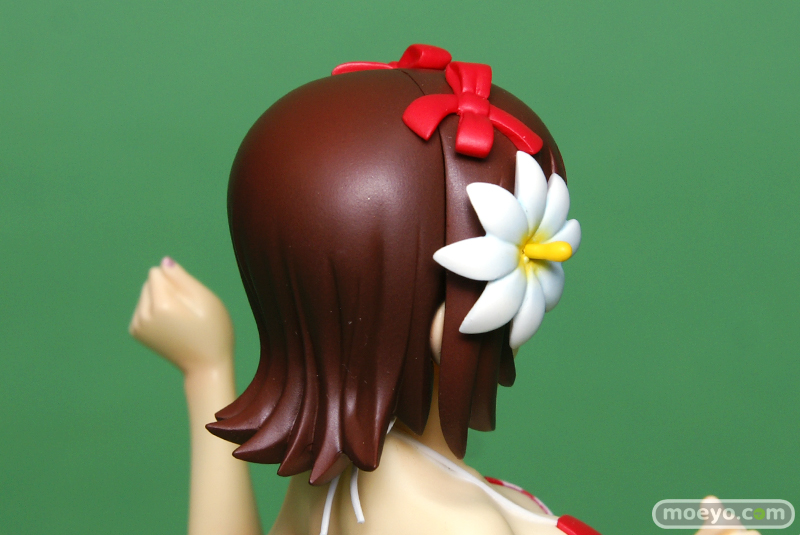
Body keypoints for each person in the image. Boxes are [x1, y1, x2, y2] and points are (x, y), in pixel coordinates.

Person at [130, 45, 759, 535]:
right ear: (452, 308)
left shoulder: (343, 472)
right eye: (528, 253)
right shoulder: (447, 521)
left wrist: (206, 369)